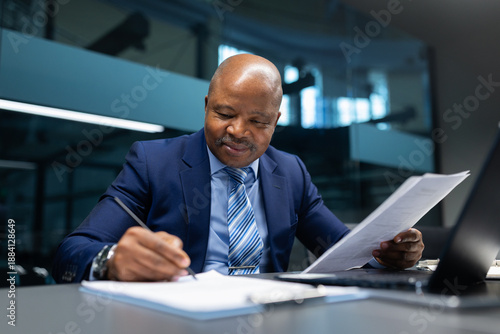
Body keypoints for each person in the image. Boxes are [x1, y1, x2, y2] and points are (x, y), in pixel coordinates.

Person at [52, 54, 424, 283]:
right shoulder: (154, 162)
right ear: (206, 105)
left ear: (276, 121)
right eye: (224, 113)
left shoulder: (291, 172)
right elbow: (72, 252)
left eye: (258, 121)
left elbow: (343, 252)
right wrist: (112, 260)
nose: (238, 132)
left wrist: (384, 256)